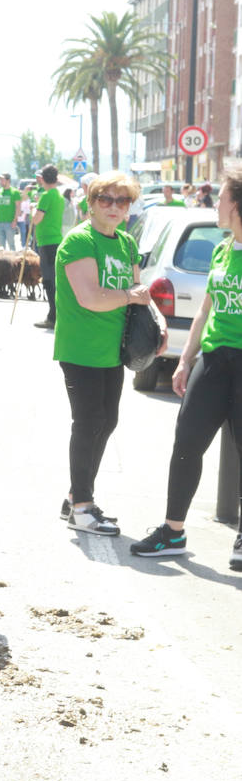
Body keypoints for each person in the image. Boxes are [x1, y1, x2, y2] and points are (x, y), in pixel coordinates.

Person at [132, 171, 242, 569]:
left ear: (237, 204)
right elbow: (205, 311)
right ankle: (172, 531)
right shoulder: (222, 249)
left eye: (222, 198)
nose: (216, 204)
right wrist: (184, 360)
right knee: (187, 442)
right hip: (213, 358)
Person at [52, 171, 160, 534]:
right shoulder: (79, 242)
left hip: (114, 349)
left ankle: (76, 498)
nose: (114, 207)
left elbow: (137, 288)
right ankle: (83, 507)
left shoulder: (127, 242)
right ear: (91, 203)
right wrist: (130, 295)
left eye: (123, 200)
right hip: (81, 348)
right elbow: (90, 296)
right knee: (88, 423)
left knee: (107, 421)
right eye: (106, 199)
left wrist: (154, 323)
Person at [31, 164, 65, 328]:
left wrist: (33, 210)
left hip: (47, 242)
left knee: (49, 280)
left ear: (42, 179)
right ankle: (55, 314)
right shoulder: (58, 195)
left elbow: (36, 219)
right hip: (55, 240)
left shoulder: (46, 196)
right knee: (53, 279)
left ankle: (53, 317)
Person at [0, 174, 19, 250]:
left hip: (10, 222)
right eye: (0, 180)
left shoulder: (15, 192)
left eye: (2, 179)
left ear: (8, 180)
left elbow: (18, 207)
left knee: (11, 244)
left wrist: (15, 220)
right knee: (0, 246)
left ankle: (13, 260)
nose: (0, 181)